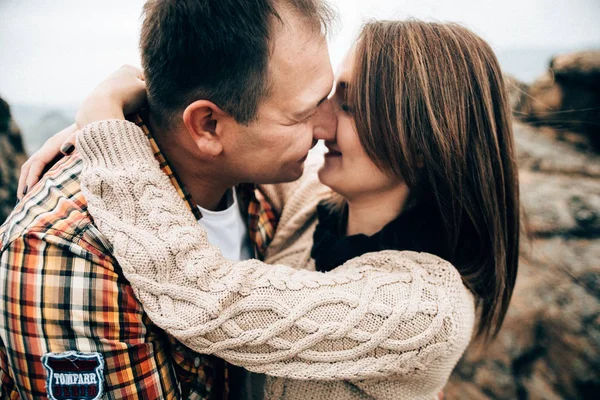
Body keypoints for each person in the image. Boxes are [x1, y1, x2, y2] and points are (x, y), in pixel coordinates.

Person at [19, 19, 520, 400]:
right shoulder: (315, 201)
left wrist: (105, 126)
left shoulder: (424, 311)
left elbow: (203, 297)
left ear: (422, 138)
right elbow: (225, 139)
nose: (318, 123)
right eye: (325, 97)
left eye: (348, 105)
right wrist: (140, 117)